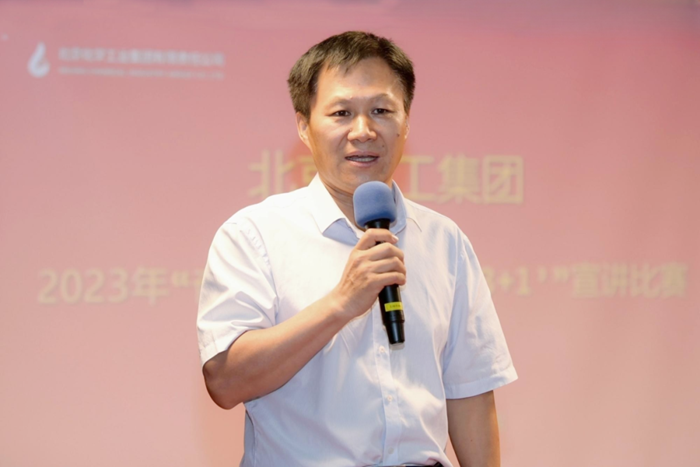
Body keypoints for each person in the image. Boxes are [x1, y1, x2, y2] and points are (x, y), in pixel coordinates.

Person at [197, 31, 517, 467]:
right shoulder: (254, 235)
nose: (363, 131)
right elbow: (225, 382)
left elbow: (470, 393)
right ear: (303, 126)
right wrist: (341, 303)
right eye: (341, 113)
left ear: (406, 121)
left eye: (381, 111)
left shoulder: (444, 241)